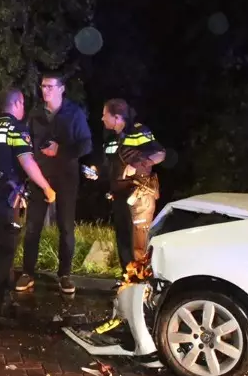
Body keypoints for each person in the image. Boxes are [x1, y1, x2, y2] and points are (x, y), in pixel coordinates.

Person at [0, 87, 57, 327]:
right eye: (23, 105)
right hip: (7, 197)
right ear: (17, 103)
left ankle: (2, 303)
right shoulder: (15, 128)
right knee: (4, 251)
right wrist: (47, 188)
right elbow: (26, 159)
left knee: (1, 247)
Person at [15, 71, 93, 295]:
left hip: (66, 178)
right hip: (39, 177)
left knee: (66, 228)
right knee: (32, 227)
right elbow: (25, 145)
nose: (45, 90)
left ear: (61, 89)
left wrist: (61, 150)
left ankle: (65, 275)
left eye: (50, 86)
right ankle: (27, 273)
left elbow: (86, 145)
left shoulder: (74, 113)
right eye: (43, 86)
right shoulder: (35, 114)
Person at [96, 97, 166, 272]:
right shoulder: (110, 138)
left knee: (139, 243)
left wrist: (137, 164)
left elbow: (160, 153)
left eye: (105, 115)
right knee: (123, 240)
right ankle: (127, 278)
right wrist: (96, 173)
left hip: (139, 196)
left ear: (117, 117)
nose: (102, 118)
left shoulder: (138, 131)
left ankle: (142, 282)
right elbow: (110, 166)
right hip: (119, 196)